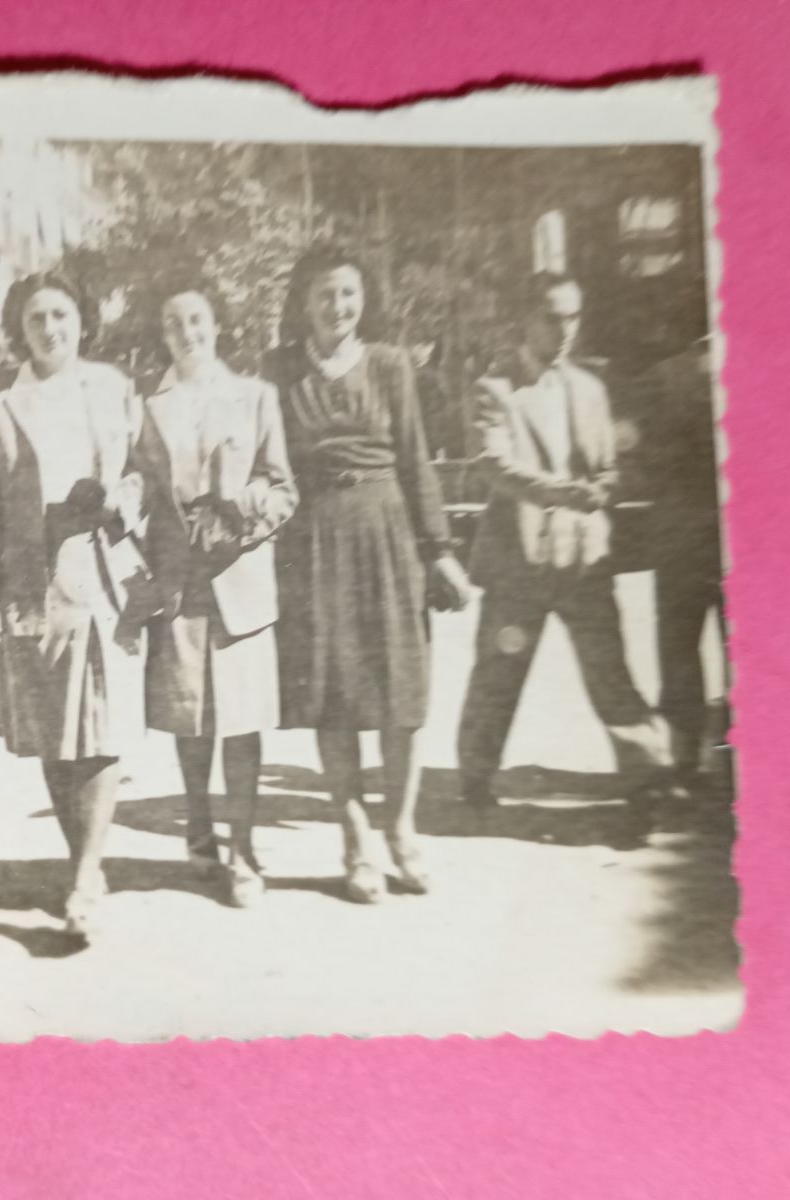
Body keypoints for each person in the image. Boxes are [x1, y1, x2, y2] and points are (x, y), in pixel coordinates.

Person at [265, 243, 471, 905]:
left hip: (387, 537)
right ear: (302, 302)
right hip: (314, 543)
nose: (337, 306)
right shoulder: (278, 371)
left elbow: (415, 460)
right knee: (334, 693)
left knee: (398, 695)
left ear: (363, 299)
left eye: (347, 292)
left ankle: (401, 831)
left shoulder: (389, 365)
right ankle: (354, 838)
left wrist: (437, 548)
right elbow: (265, 465)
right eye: (323, 293)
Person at [0, 267, 146, 942]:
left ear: (81, 322)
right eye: (36, 318)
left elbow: (141, 471)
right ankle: (82, 863)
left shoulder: (114, 387)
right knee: (53, 730)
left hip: (100, 566)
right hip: (28, 574)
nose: (50, 329)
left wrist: (122, 505)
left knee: (99, 724)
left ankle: (85, 878)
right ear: (20, 328)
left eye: (61, 315)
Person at [456, 271, 674, 809]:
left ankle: (649, 778)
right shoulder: (494, 389)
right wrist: (563, 492)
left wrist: (605, 486)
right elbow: (492, 464)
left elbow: (610, 467)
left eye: (573, 316)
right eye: (552, 317)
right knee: (498, 676)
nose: (565, 328)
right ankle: (476, 780)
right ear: (525, 321)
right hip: (517, 562)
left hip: (584, 560)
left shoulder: (590, 389)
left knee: (610, 671)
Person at [135, 277, 298, 907]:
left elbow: (282, 485)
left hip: (241, 577)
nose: (188, 334)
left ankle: (245, 849)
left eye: (197, 320)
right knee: (191, 713)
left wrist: (248, 516)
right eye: (174, 324)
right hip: (180, 578)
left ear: (217, 326)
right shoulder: (150, 407)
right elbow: (143, 488)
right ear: (164, 335)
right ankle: (199, 829)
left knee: (243, 719)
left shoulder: (255, 396)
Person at [643, 336, 726, 789]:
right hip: (732, 531)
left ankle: (684, 762)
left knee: (678, 647)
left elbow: (649, 461)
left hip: (681, 535)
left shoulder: (667, 375)